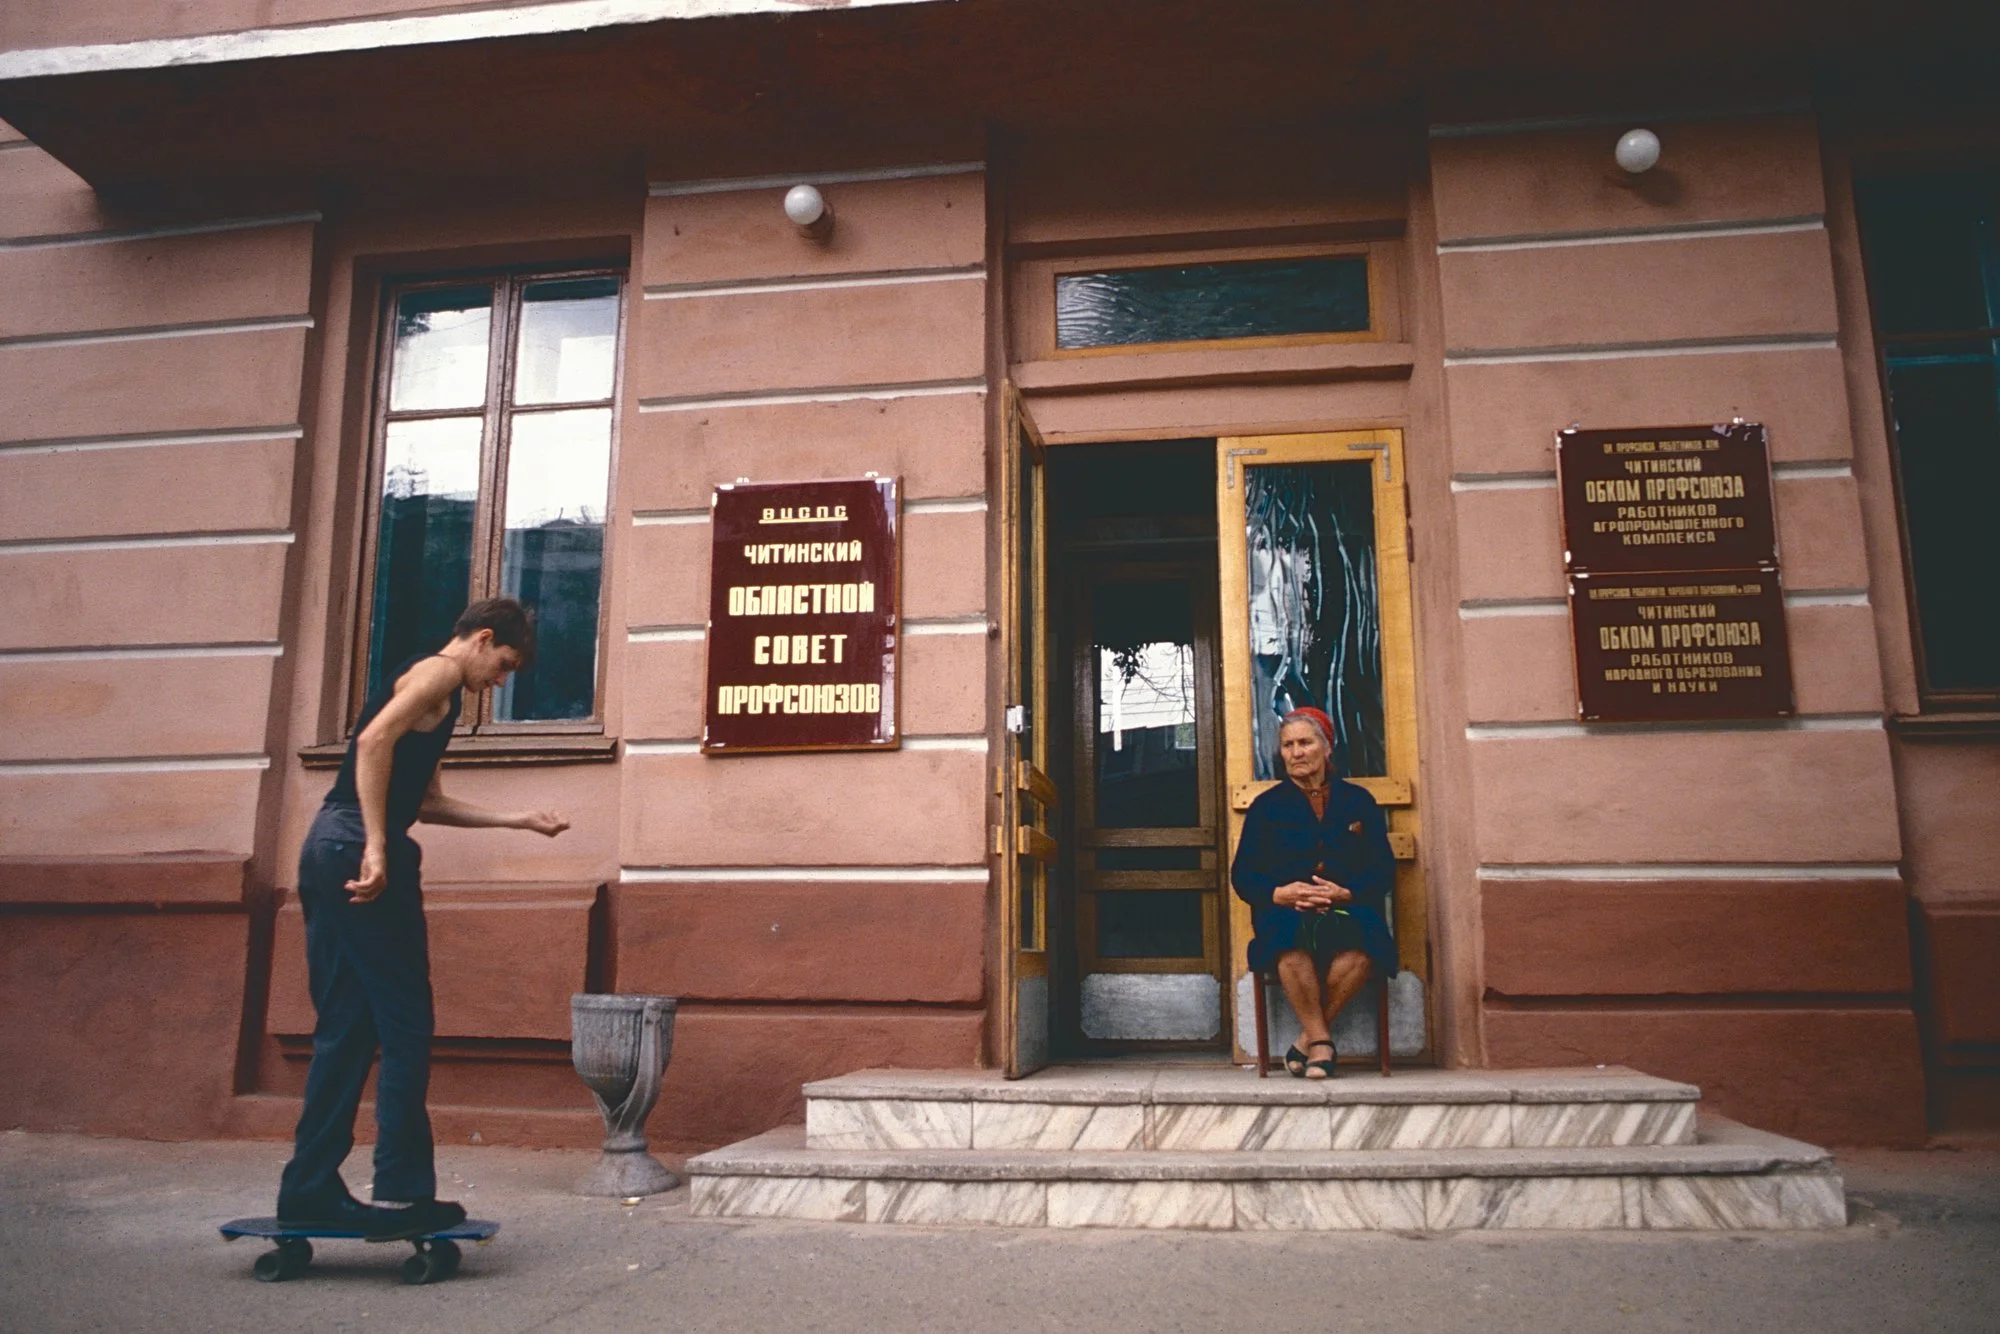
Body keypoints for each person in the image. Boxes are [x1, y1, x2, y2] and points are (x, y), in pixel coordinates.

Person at [275, 598, 570, 1238]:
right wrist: (378, 845)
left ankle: (307, 1188)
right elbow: (375, 742)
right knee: (406, 1021)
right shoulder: (438, 673)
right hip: (356, 845)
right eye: (505, 664)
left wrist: (515, 820)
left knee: (347, 1027)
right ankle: (404, 1191)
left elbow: (425, 800)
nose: (501, 680)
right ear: (483, 638)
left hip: (331, 847)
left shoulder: (443, 698)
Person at [1229, 706, 1396, 1079]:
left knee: (1362, 949)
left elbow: (1383, 870)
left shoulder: (1358, 802)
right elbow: (1243, 876)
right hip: (1288, 909)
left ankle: (1308, 1039)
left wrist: (1346, 893)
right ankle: (1322, 1042)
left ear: (1327, 748)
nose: (1296, 752)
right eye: (1288, 745)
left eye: (1305, 742)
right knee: (1287, 945)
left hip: (1346, 907)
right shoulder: (1266, 807)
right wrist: (1280, 894)